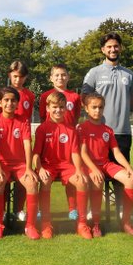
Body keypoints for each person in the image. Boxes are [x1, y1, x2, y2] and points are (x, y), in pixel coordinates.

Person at [82, 32, 133, 218]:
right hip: (97, 133)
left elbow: (132, 99)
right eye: (109, 47)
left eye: (116, 46)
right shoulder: (94, 73)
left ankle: (121, 209)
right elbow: (85, 97)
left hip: (122, 131)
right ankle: (92, 209)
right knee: (92, 172)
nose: (113, 49)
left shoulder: (129, 74)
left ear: (120, 48)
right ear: (103, 50)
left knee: (120, 174)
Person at [78, 93, 133, 237]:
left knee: (130, 180)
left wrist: (129, 168)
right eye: (94, 107)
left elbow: (116, 152)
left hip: (106, 164)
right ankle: (96, 224)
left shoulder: (108, 130)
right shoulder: (82, 128)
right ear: (86, 109)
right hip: (89, 166)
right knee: (98, 181)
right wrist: (93, 169)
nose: (97, 111)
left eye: (100, 107)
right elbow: (83, 153)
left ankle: (125, 222)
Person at [33, 91, 91, 239]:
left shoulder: (71, 130)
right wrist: (39, 169)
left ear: (66, 108)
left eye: (61, 107)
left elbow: (75, 153)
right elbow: (36, 155)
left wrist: (78, 170)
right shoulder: (42, 129)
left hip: (66, 166)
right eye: (54, 107)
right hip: (48, 165)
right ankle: (46, 224)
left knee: (81, 181)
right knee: (45, 181)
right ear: (48, 108)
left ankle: (82, 224)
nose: (58, 110)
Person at [0, 87, 40, 240]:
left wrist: (29, 168)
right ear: (0, 102)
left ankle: (30, 226)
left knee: (31, 183)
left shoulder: (23, 120)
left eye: (13, 100)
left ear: (17, 103)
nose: (10, 103)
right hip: (1, 164)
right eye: (6, 100)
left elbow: (27, 145)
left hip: (20, 164)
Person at [39, 63, 82, 220]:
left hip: (69, 141)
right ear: (51, 78)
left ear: (68, 77)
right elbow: (44, 117)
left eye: (63, 74)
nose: (60, 77)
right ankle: (41, 210)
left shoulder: (75, 96)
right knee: (45, 178)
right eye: (56, 75)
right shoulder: (45, 96)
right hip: (51, 141)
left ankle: (73, 209)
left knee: (71, 177)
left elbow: (75, 117)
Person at [7, 60, 36, 222]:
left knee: (23, 176)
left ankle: (18, 209)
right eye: (15, 76)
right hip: (6, 142)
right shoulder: (3, 93)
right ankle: (3, 210)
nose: (17, 80)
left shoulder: (29, 95)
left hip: (22, 142)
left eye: (21, 77)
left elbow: (27, 118)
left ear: (25, 78)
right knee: (3, 179)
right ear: (9, 75)